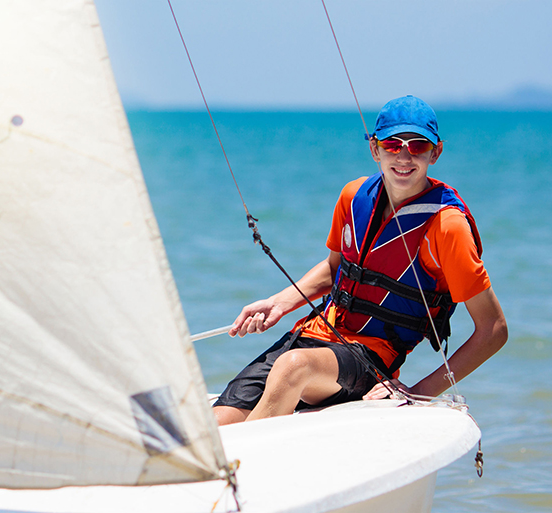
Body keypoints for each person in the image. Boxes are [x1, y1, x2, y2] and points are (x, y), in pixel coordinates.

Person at [213, 95, 507, 425]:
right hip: (315, 336)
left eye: (418, 145)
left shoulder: (447, 226)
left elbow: (494, 330)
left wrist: (419, 392)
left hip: (372, 359)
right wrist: (279, 302)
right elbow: (335, 270)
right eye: (393, 144)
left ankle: (242, 474)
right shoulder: (354, 197)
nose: (405, 156)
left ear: (435, 152)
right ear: (375, 149)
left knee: (293, 368)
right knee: (213, 424)